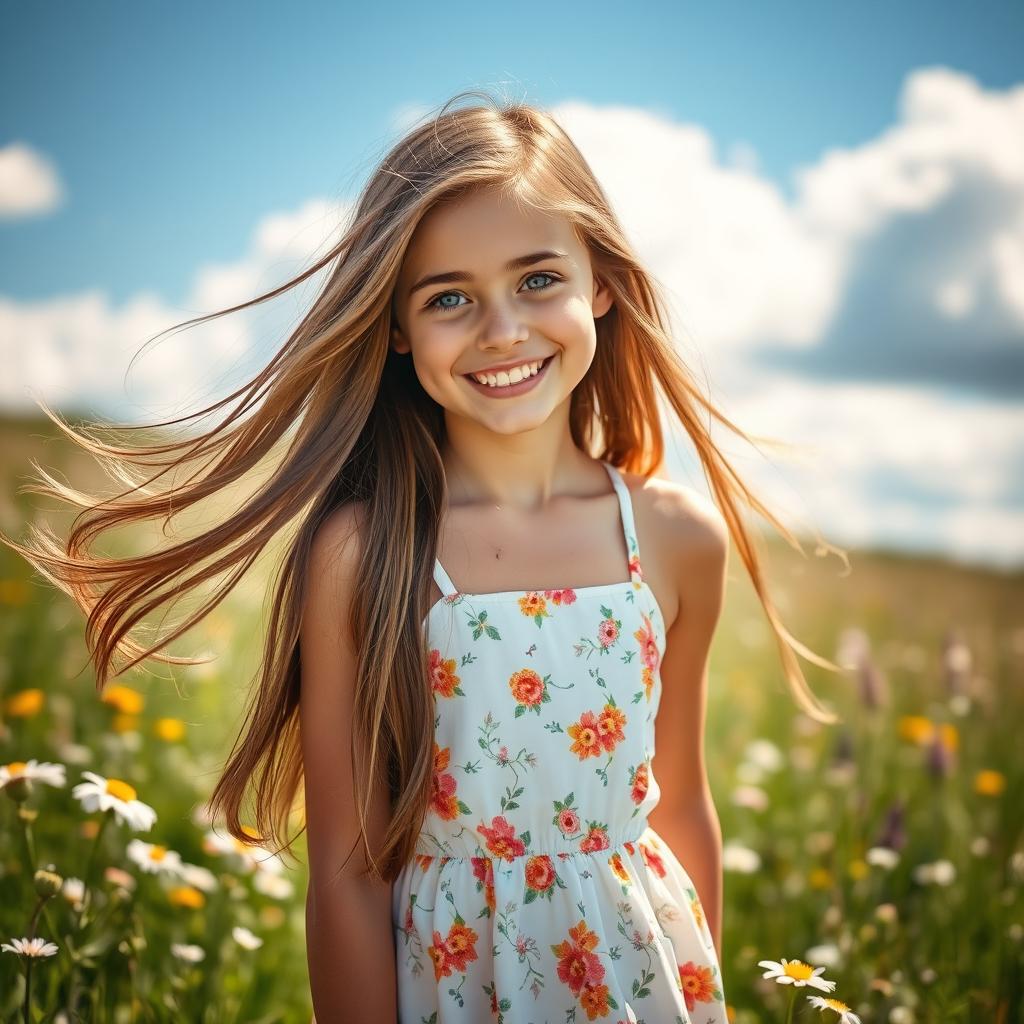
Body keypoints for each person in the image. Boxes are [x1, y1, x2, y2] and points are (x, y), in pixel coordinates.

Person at [3, 89, 845, 1023]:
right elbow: (345, 876)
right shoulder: (365, 552)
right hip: (450, 983)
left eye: (537, 280)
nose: (502, 331)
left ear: (600, 281)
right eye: (450, 298)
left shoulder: (676, 539)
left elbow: (681, 806)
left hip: (635, 980)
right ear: (397, 328)